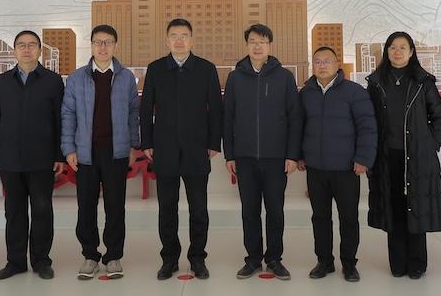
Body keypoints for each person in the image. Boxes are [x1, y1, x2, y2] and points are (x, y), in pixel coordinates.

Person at [140, 18, 223, 280]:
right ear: (166, 40)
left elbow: (216, 109)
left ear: (192, 39)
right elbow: (146, 109)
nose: (179, 40)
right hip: (164, 148)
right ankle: (169, 259)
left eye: (184, 35)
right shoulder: (155, 69)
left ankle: (198, 258)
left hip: (197, 148)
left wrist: (214, 142)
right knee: (167, 208)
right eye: (174, 36)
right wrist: (147, 142)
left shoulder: (206, 69)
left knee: (199, 208)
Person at [365, 31, 441, 279]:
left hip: (417, 155)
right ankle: (397, 261)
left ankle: (417, 262)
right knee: (394, 208)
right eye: (392, 47)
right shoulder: (376, 82)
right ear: (386, 52)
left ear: (411, 52)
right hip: (387, 155)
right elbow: (368, 119)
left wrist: (432, 144)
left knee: (416, 207)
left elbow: (438, 116)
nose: (397, 51)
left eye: (402, 47)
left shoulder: (423, 81)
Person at [223, 23, 302, 281]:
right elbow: (228, 118)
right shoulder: (235, 78)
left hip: (276, 158)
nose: (257, 46)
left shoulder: (284, 77)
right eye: (253, 41)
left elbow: (294, 118)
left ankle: (275, 258)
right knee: (249, 210)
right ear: (247, 45)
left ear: (270, 45)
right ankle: (253, 259)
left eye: (262, 42)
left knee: (275, 210)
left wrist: (292, 154)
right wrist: (230, 154)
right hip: (244, 157)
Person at [61, 25, 140, 280]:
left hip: (116, 152)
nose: (102, 47)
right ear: (92, 45)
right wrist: (69, 149)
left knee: (115, 206)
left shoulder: (126, 77)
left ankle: (113, 255)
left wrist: (133, 145)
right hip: (85, 153)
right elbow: (68, 114)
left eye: (108, 42)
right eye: (98, 42)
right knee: (86, 206)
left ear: (115, 45)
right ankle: (90, 256)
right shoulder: (77, 78)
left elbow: (133, 113)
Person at [0, 30, 66, 280]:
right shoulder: (1, 82)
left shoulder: (52, 81)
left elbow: (60, 120)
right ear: (15, 50)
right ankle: (15, 262)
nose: (27, 49)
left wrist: (60, 155)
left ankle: (41, 261)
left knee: (42, 210)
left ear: (40, 50)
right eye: (21, 45)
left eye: (32, 45)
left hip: (43, 158)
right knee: (14, 212)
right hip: (9, 158)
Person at [298, 46, 377, 282]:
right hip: (316, 168)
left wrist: (363, 159)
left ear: (337, 64)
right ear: (313, 65)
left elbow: (367, 127)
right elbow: (298, 126)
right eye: (317, 61)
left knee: (348, 218)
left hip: (346, 168)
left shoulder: (354, 91)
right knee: (320, 217)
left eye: (327, 61)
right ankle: (324, 261)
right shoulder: (306, 93)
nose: (322, 65)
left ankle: (349, 263)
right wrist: (299, 155)